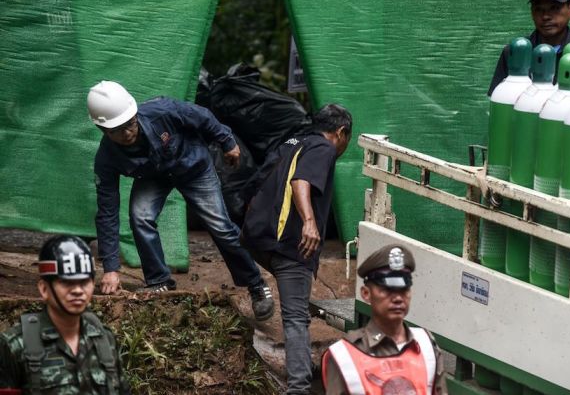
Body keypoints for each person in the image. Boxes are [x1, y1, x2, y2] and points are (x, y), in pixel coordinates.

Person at [87, 80, 273, 321]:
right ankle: (159, 281)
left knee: (220, 226)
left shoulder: (161, 111)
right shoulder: (106, 158)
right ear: (103, 130)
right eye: (118, 130)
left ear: (134, 114)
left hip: (194, 167)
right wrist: (111, 268)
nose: (128, 133)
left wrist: (227, 141)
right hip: (153, 176)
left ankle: (256, 285)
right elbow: (107, 212)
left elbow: (201, 116)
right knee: (140, 216)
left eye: (130, 124)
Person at [241, 103, 352, 394]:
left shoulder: (292, 141)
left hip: (258, 239)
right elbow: (300, 180)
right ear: (341, 132)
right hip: (290, 244)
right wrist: (310, 222)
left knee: (293, 302)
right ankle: (299, 389)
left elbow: (258, 182)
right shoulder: (323, 148)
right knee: (296, 318)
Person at [0, 235, 130, 394]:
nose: (77, 290)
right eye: (66, 282)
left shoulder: (105, 340)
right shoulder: (16, 346)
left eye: (84, 282)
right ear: (44, 289)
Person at [321, 244, 448, 394]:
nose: (398, 298)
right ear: (366, 294)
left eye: (404, 289)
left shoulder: (427, 344)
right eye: (387, 290)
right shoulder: (344, 357)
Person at [488, 0, 570, 95]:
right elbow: (498, 100)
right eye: (538, 9)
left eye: (554, 8)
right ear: (531, 12)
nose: (545, 16)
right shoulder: (515, 53)